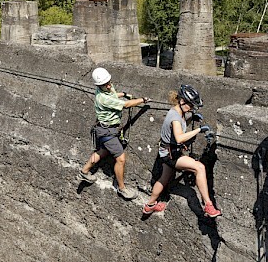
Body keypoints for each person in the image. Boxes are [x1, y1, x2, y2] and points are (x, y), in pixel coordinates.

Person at [142, 85, 222, 217]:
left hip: (166, 151)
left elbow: (178, 124)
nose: (191, 108)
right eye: (190, 105)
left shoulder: (177, 111)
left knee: (164, 179)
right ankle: (208, 205)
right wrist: (199, 130)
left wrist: (192, 118)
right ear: (181, 101)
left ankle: (149, 205)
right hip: (171, 154)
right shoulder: (175, 117)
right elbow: (179, 137)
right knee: (199, 168)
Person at [78, 67, 150, 200]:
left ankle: (84, 171)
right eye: (106, 84)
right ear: (99, 85)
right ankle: (122, 189)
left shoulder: (104, 88)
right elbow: (126, 105)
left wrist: (122, 93)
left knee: (103, 151)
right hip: (107, 131)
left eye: (109, 82)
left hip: (104, 129)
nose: (109, 85)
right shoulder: (102, 98)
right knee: (121, 158)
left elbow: (112, 95)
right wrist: (142, 100)